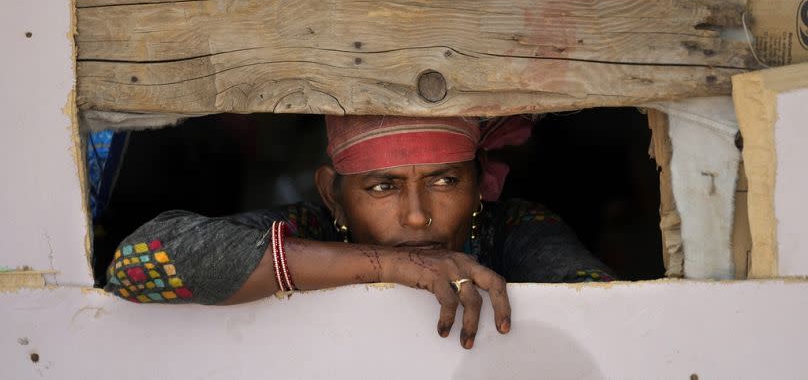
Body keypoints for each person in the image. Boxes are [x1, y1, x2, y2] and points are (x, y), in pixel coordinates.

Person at [104, 115, 613, 349]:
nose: (417, 216)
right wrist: (393, 265)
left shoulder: (513, 229)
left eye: (444, 180)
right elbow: (135, 266)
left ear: (479, 185)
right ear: (333, 195)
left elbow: (610, 315)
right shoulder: (310, 229)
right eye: (382, 186)